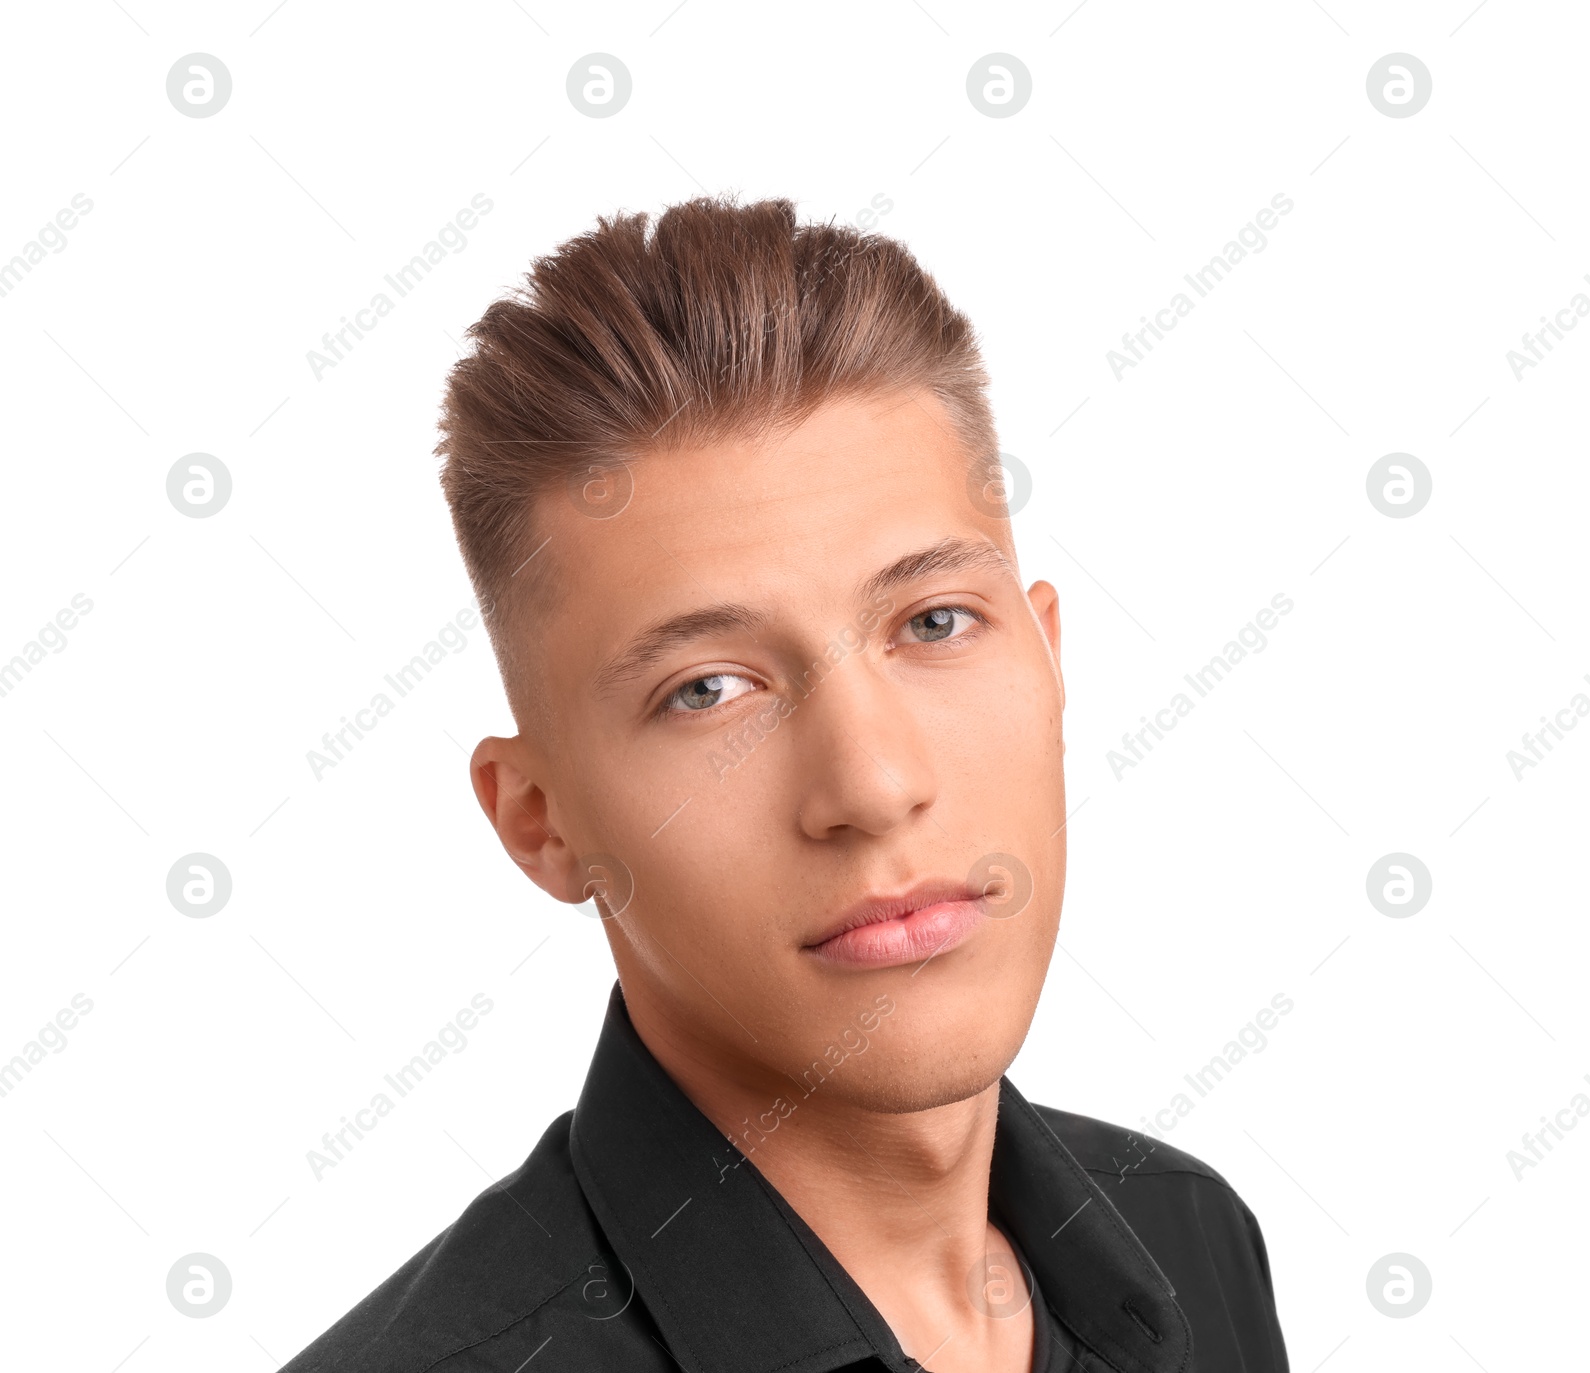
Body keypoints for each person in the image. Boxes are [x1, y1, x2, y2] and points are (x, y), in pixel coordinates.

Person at [282, 194, 1291, 1373]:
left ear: (1048, 659)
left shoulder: (1186, 1238)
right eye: (708, 689)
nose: (871, 781)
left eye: (935, 619)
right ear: (538, 821)